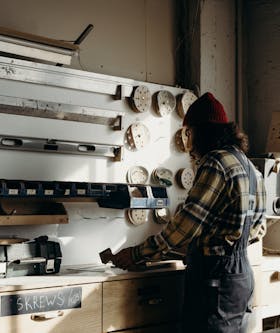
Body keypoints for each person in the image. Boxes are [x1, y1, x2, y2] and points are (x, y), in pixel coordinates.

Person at [112, 92, 266, 333]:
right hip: (241, 278)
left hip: (214, 280)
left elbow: (184, 227)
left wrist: (138, 253)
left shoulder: (215, 163)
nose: (188, 142)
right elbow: (258, 229)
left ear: (199, 132)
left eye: (189, 133)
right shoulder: (249, 167)